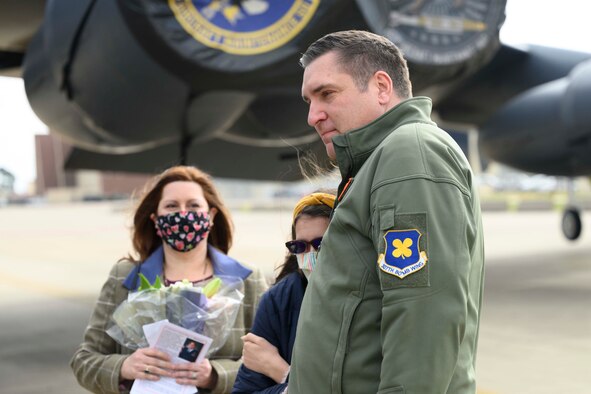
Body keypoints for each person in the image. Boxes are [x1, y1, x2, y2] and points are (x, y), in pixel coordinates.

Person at [289, 30, 485, 393]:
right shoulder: (378, 162)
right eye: (308, 100)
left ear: (381, 87)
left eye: (327, 94)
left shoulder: (408, 153)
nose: (313, 115)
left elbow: (424, 318)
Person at [71, 165, 268, 394]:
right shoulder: (124, 277)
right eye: (171, 206)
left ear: (211, 215)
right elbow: (84, 361)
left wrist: (215, 375)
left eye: (193, 205)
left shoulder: (248, 280)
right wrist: (124, 366)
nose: (183, 213)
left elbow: (269, 363)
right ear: (155, 219)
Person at [232, 192, 335, 394]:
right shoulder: (279, 300)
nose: (310, 256)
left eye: (320, 244)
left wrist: (281, 372)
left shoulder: (375, 298)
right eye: (300, 246)